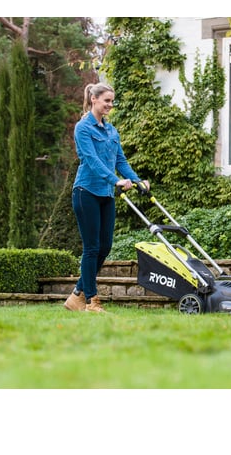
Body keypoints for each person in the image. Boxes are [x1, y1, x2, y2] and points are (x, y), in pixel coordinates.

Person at [64, 82, 149, 313]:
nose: (110, 105)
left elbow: (120, 160)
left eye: (112, 101)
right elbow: (91, 160)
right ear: (94, 99)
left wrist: (137, 180)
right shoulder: (83, 128)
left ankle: (76, 295)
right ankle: (91, 301)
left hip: (106, 194)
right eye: (106, 100)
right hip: (86, 192)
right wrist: (116, 180)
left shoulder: (111, 131)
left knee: (105, 247)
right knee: (91, 248)